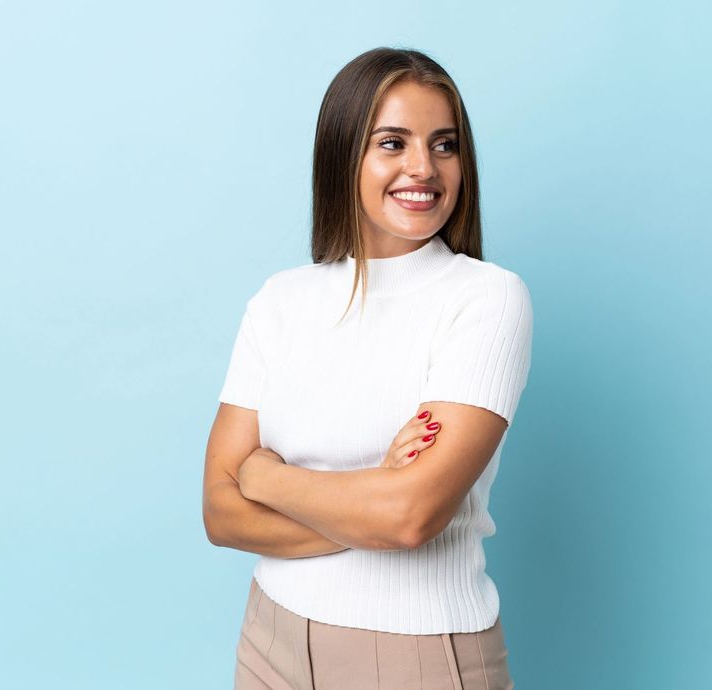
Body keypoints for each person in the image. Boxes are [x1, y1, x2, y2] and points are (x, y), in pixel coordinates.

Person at [203, 46, 533, 689]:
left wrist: (264, 474)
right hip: (269, 638)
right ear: (343, 153)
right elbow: (220, 513)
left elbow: (408, 516)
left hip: (412, 654)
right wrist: (367, 492)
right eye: (393, 142)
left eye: (445, 145)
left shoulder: (485, 298)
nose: (424, 167)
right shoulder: (281, 300)